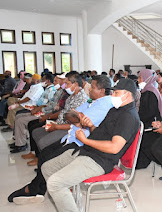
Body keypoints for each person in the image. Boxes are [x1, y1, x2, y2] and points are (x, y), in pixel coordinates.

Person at [8, 75, 114, 205]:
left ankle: (34, 189)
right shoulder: (92, 101)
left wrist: (78, 118)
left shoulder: (103, 105)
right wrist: (78, 118)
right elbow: (70, 115)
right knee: (44, 155)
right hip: (71, 136)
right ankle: (37, 189)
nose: (89, 90)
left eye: (92, 87)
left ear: (102, 90)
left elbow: (80, 120)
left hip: (79, 144)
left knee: (46, 158)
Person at [38, 78, 139, 211]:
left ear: (127, 94)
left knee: (55, 183)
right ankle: (68, 201)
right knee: (47, 168)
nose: (112, 96)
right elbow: (100, 134)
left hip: (99, 160)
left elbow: (114, 147)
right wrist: (90, 126)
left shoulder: (128, 117)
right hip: (86, 151)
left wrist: (85, 141)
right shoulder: (115, 110)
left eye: (116, 93)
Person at [31, 71, 88, 152]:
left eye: (67, 84)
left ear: (75, 84)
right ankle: (39, 156)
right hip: (60, 123)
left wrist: (56, 127)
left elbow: (75, 124)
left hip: (67, 129)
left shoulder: (81, 99)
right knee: (36, 132)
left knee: (43, 142)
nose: (65, 86)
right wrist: (52, 122)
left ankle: (45, 158)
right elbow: (63, 111)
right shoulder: (71, 96)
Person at [9, 73, 57, 153]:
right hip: (38, 109)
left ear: (47, 81)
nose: (41, 81)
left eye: (43, 79)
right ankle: (19, 141)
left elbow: (50, 106)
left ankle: (21, 145)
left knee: (20, 120)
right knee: (18, 116)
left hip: (43, 113)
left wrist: (39, 108)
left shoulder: (52, 90)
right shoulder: (46, 89)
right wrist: (36, 107)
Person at [136, 69, 162, 169]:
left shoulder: (150, 92)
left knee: (144, 141)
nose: (138, 80)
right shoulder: (146, 91)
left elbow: (150, 112)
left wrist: (137, 118)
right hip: (147, 122)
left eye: (140, 77)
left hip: (152, 125)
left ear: (146, 78)